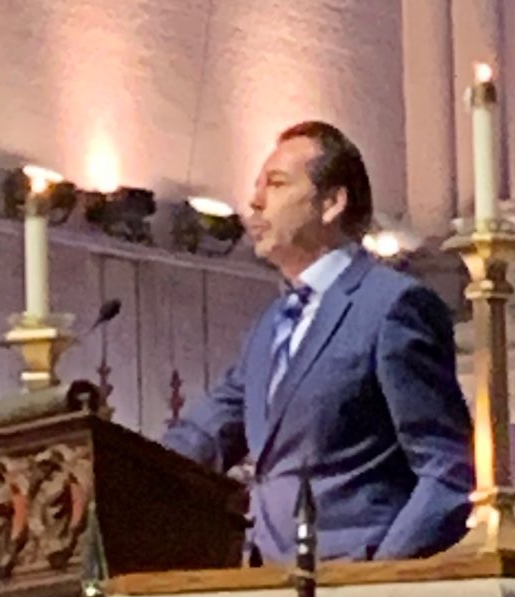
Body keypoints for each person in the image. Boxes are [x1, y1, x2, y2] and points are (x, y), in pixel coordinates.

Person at [164, 122, 474, 562]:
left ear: (331, 203)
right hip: (268, 581)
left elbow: (447, 468)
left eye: (276, 184)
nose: (255, 201)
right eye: (257, 186)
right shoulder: (270, 325)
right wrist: (117, 465)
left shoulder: (391, 306)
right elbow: (206, 433)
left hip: (355, 579)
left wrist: (381, 579)